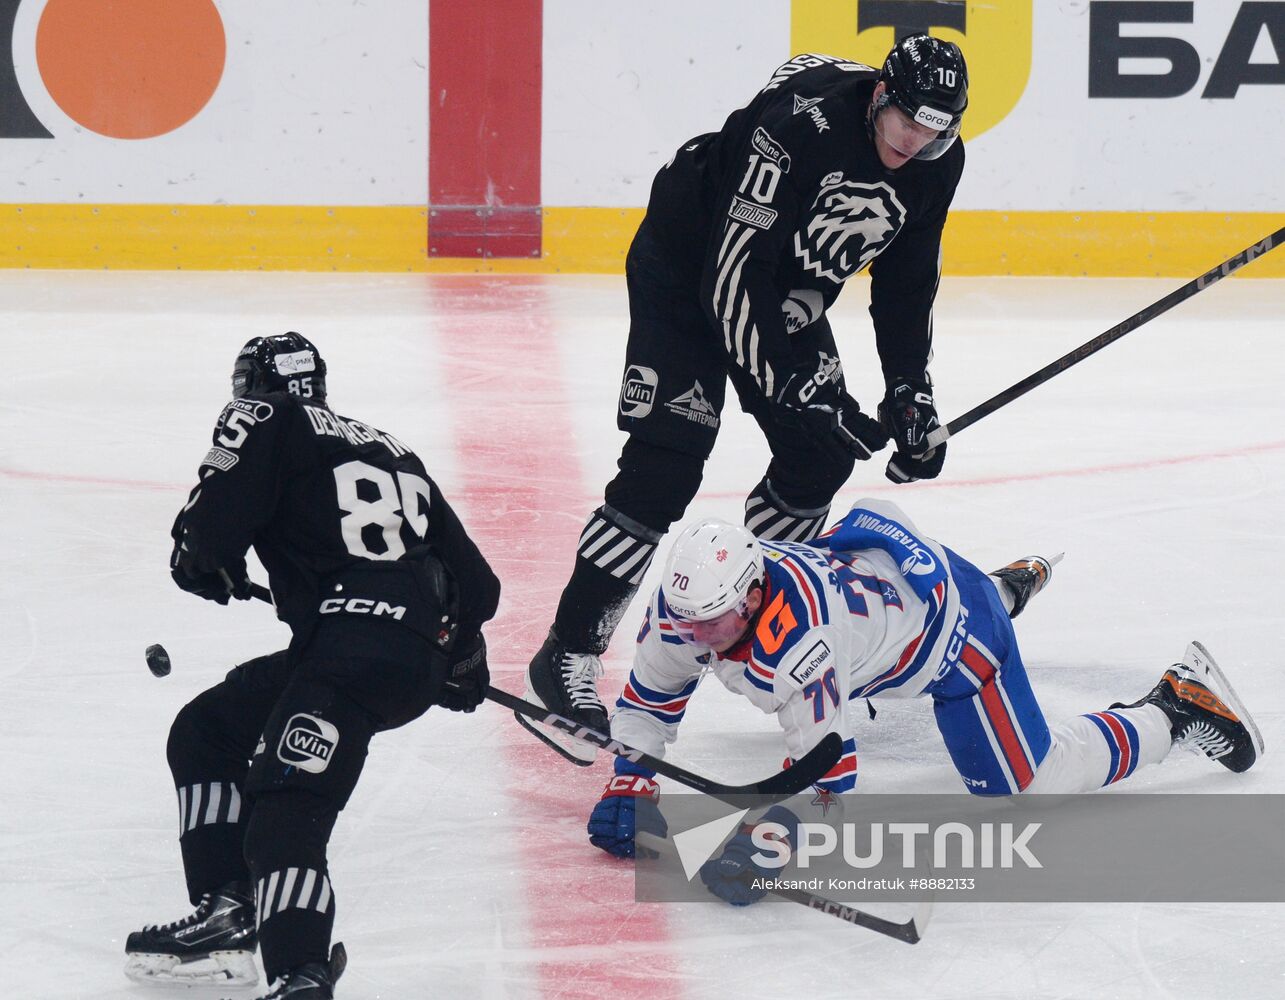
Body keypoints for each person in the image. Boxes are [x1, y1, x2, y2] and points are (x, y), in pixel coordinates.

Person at [523, 35, 970, 761]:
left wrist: (910, 393)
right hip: (689, 268)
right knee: (666, 462)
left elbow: (907, 279)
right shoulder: (796, 127)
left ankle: (761, 614)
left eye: (935, 130)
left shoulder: (935, 160)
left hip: (784, 288)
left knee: (817, 459)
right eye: (906, 122)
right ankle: (569, 649)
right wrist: (794, 387)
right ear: (881, 97)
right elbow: (728, 281)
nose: (915, 142)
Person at [586, 502, 1264, 906]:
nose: (695, 637)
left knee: (1027, 781)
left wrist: (773, 838)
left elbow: (826, 774)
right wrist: (631, 774)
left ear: (754, 594)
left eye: (713, 621)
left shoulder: (803, 647)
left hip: (955, 645)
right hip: (896, 599)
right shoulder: (695, 603)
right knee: (910, 613)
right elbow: (655, 686)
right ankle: (1002, 585)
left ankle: (1175, 706)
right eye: (689, 619)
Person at [124, 333, 500, 998]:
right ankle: (227, 912)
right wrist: (460, 655)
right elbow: (478, 584)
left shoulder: (263, 416)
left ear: (250, 384)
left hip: (346, 657)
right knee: (207, 730)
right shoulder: (392, 447)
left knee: (287, 807)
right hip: (391, 657)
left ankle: (299, 972)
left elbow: (207, 532)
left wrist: (203, 561)